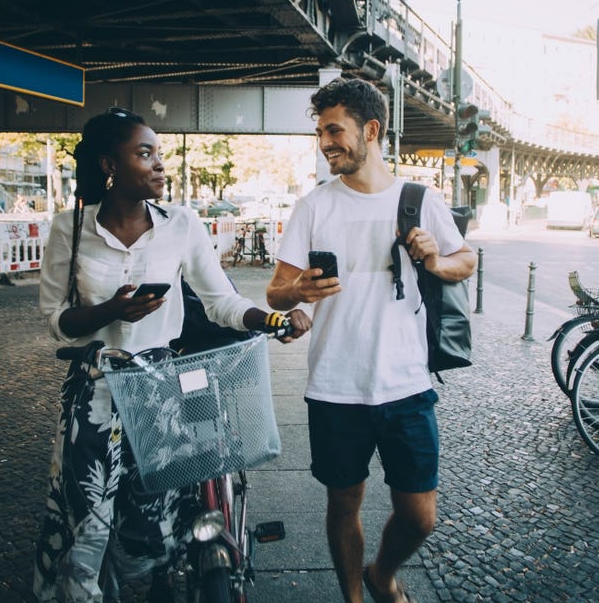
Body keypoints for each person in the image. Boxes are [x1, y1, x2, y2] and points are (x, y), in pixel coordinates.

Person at [32, 106, 311, 603]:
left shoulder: (181, 224)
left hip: (158, 389)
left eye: (159, 153)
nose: (160, 164)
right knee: (88, 525)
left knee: (156, 524)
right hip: (94, 394)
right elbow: (56, 319)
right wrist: (109, 312)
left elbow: (220, 300)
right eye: (145, 153)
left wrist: (268, 320)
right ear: (107, 165)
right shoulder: (67, 228)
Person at [266, 77, 477, 603]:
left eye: (335, 130)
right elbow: (275, 292)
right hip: (335, 386)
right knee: (344, 502)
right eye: (320, 132)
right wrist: (299, 290)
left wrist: (434, 258)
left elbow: (465, 260)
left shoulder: (420, 200)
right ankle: (355, 598)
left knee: (420, 516)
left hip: (406, 383)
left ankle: (382, 572)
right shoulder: (314, 207)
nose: (326, 142)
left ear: (372, 130)